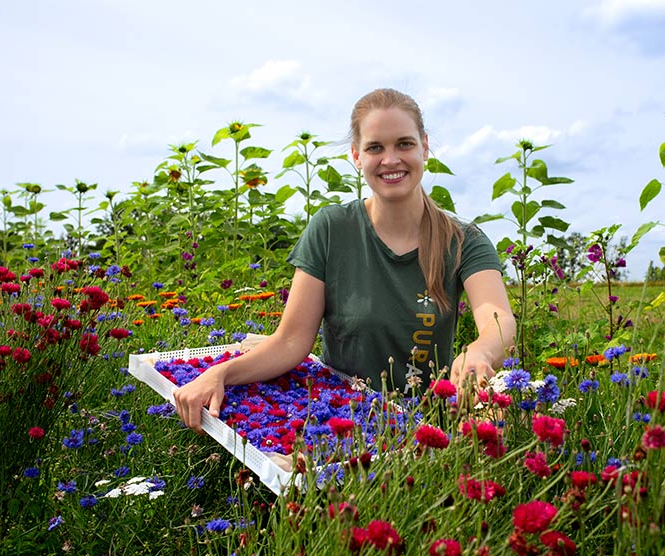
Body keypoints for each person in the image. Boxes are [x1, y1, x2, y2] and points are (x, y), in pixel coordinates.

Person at [175, 88, 516, 433]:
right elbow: (291, 341)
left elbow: (498, 320)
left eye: (404, 144)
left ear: (425, 146)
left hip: (427, 434)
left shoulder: (463, 240)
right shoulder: (331, 230)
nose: (391, 159)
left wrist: (481, 353)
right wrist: (219, 374)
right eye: (375, 148)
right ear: (356, 155)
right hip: (338, 428)